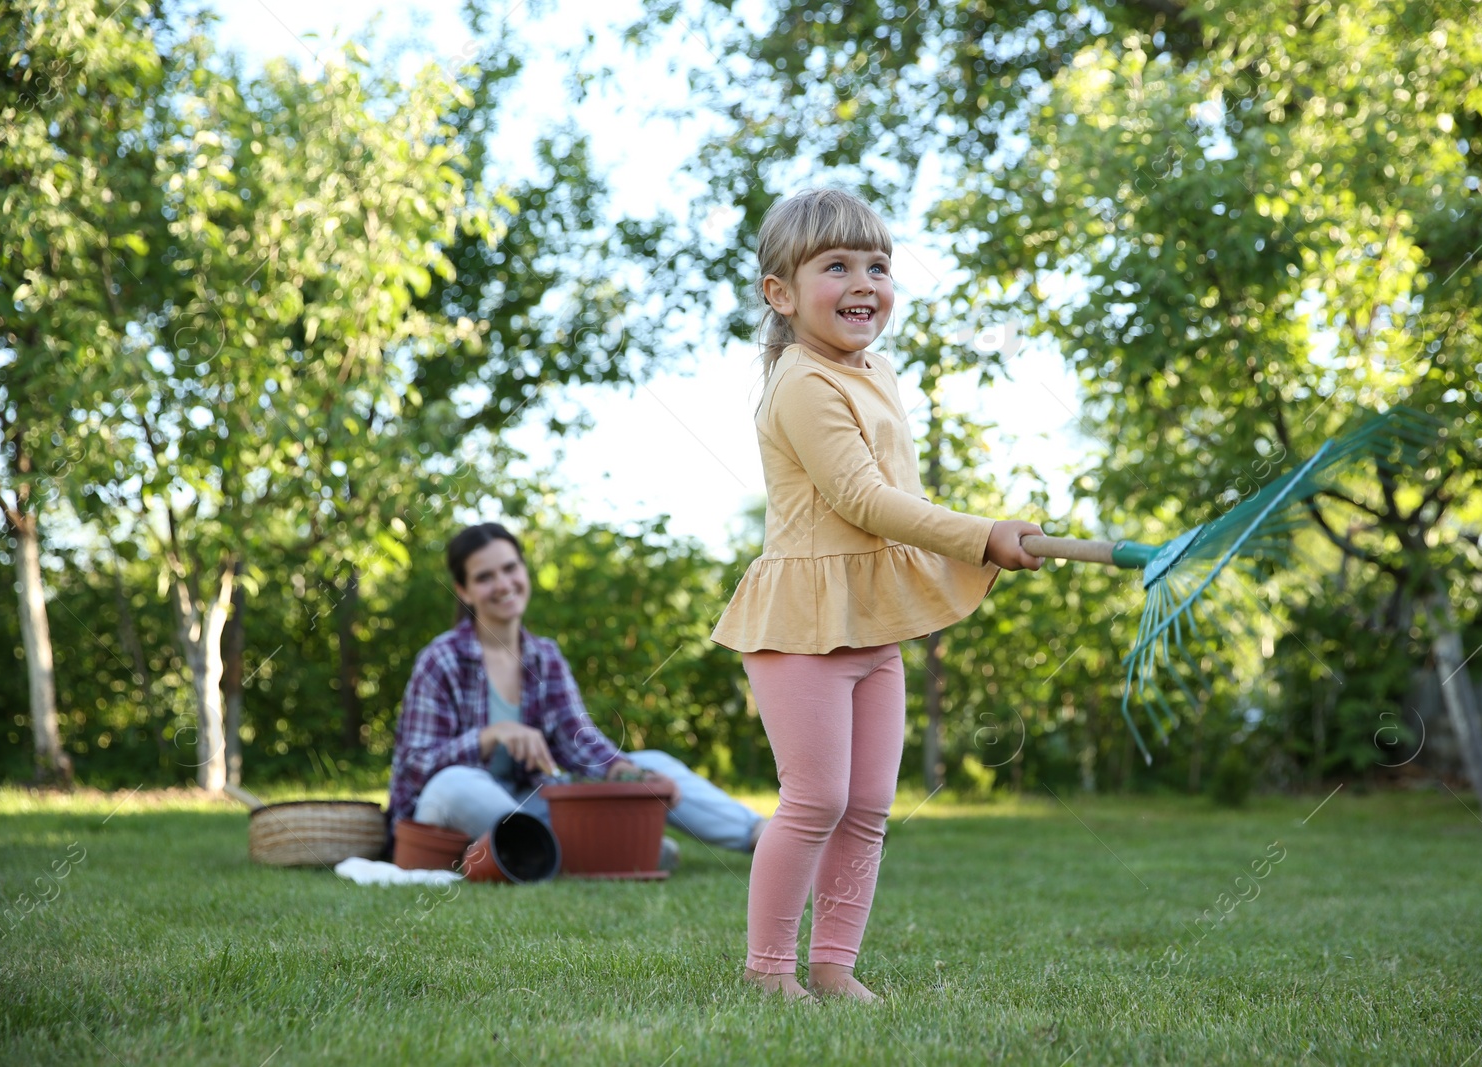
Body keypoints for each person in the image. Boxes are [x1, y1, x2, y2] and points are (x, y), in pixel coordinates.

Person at [711, 188, 1045, 1002]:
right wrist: (980, 534)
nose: (865, 282)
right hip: (801, 625)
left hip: (869, 618)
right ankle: (766, 974)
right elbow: (862, 500)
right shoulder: (801, 383)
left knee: (866, 805)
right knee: (815, 798)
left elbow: (900, 490)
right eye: (838, 266)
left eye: (879, 266)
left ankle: (833, 966)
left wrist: (982, 539)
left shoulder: (877, 370)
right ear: (781, 294)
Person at [388, 523, 767, 870]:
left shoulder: (545, 657)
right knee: (455, 783)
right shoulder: (441, 659)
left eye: (509, 569)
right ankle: (595, 852)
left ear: (523, 570)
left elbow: (580, 741)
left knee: (652, 763)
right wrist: (490, 736)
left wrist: (619, 769)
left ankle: (763, 836)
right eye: (485, 577)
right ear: (464, 589)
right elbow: (415, 766)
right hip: (446, 810)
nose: (503, 584)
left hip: (525, 805)